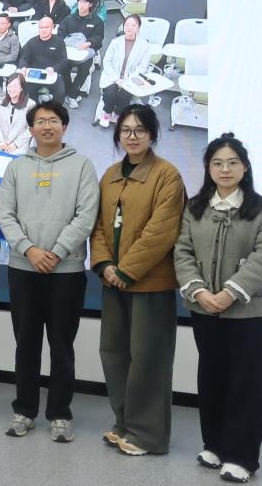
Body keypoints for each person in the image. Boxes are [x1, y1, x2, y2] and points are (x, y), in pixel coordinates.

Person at [174, 133, 262, 483]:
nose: (225, 169)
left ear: (245, 167)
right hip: (204, 308)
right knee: (212, 377)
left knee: (245, 382)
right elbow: (182, 252)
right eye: (217, 163)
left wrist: (230, 293)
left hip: (248, 313)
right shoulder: (195, 207)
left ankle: (241, 456)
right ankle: (215, 445)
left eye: (233, 162)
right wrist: (199, 292)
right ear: (208, 168)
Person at [0, 101, 100, 443]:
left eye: (53, 120)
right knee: (26, 343)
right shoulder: (17, 167)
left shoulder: (82, 165)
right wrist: (29, 249)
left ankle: (59, 414)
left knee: (62, 346)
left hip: (66, 271)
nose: (47, 126)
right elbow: (5, 214)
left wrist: (56, 252)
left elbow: (86, 215)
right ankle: (24, 410)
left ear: (64, 127)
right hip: (23, 268)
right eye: (40, 121)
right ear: (31, 129)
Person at [90, 104, 185, 457]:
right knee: (114, 353)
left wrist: (126, 270)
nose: (132, 136)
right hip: (113, 282)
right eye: (126, 130)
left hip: (149, 284)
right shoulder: (110, 174)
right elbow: (98, 226)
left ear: (152, 134)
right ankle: (124, 423)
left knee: (148, 359)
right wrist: (105, 265)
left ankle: (148, 435)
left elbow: (162, 231)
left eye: (140, 130)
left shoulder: (167, 176)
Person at [98, 14, 152, 128]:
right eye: (127, 25)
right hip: (112, 77)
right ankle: (107, 113)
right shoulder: (115, 42)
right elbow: (106, 62)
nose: (129, 28)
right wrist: (116, 79)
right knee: (110, 93)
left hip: (131, 79)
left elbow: (142, 67)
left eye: (133, 25)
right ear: (123, 26)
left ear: (138, 28)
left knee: (125, 94)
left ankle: (118, 114)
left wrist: (127, 80)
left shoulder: (144, 46)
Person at [57, 0, 105, 109]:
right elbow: (60, 34)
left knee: (84, 70)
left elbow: (99, 37)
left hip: (85, 52)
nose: (81, 5)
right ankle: (71, 92)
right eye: (80, 2)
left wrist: (89, 43)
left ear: (90, 5)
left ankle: (72, 95)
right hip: (69, 51)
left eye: (85, 2)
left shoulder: (97, 21)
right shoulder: (69, 19)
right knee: (63, 68)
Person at [18, 16, 68, 104]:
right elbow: (24, 57)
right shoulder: (32, 42)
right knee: (26, 90)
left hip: (52, 73)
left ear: (52, 28)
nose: (43, 30)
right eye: (41, 27)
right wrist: (23, 67)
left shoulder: (59, 42)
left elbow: (64, 60)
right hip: (35, 74)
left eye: (46, 27)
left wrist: (54, 68)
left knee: (60, 92)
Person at [0, 74, 34, 154]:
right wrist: (0, 141)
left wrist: (15, 144)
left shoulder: (30, 105)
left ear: (21, 88)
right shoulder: (0, 101)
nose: (11, 89)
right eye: (9, 86)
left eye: (15, 86)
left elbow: (30, 128)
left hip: (18, 146)